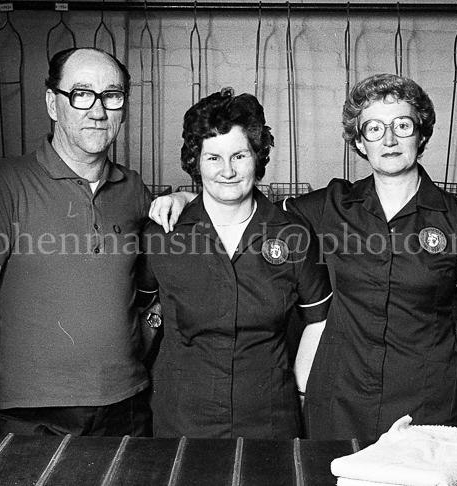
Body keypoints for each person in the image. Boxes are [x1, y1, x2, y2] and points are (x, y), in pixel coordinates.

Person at [150, 74, 457, 443]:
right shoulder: (328, 207)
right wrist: (188, 200)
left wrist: (440, 342)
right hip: (341, 400)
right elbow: (244, 204)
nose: (389, 139)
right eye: (374, 128)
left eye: (402, 125)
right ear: (359, 140)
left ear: (422, 133)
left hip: (429, 398)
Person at [0, 47, 153, 451]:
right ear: (52, 102)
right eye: (81, 94)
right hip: (34, 413)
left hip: (127, 405)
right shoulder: (5, 183)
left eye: (112, 95)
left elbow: (155, 290)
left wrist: (188, 201)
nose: (98, 110)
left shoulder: (134, 190)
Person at [138, 88, 332, 439]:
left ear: (257, 157)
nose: (227, 171)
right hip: (181, 417)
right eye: (213, 158)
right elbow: (142, 312)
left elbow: (318, 321)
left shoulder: (294, 235)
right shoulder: (162, 235)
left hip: (270, 416)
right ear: (195, 161)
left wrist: (301, 394)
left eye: (239, 155)